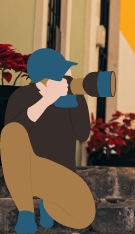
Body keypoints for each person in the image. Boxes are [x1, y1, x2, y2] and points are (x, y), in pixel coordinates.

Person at [0, 48, 96, 234]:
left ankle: (49, 203)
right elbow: (11, 138)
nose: (68, 79)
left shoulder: (71, 98)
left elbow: (83, 134)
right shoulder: (21, 97)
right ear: (45, 78)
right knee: (11, 132)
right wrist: (46, 100)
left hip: (60, 174)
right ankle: (26, 213)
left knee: (84, 214)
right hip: (27, 167)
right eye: (63, 74)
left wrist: (77, 98)